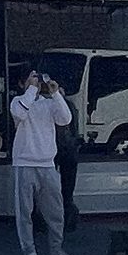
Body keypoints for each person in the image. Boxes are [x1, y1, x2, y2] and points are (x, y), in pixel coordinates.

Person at [10, 71, 75, 255]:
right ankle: (30, 254)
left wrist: (56, 94)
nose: (36, 82)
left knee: (55, 211)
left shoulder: (48, 104)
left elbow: (65, 119)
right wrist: (31, 89)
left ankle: (56, 250)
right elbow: (20, 113)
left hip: (47, 163)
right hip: (24, 163)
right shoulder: (18, 101)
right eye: (31, 78)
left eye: (36, 78)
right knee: (25, 213)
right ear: (23, 83)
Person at [55, 97, 82, 233]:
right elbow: (74, 128)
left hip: (56, 149)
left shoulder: (49, 105)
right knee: (67, 189)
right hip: (69, 148)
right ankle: (67, 221)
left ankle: (45, 221)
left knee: (47, 189)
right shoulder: (69, 105)